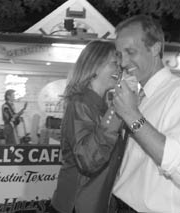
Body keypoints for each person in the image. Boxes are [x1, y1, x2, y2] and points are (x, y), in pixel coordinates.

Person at [110, 15, 180, 213]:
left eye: (130, 52)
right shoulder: (142, 97)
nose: (123, 62)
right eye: (120, 54)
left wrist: (131, 115)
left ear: (155, 48)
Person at [51, 40, 129, 213]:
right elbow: (88, 159)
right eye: (114, 64)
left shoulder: (102, 106)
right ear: (94, 66)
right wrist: (116, 112)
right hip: (76, 204)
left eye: (120, 65)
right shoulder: (80, 103)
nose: (119, 69)